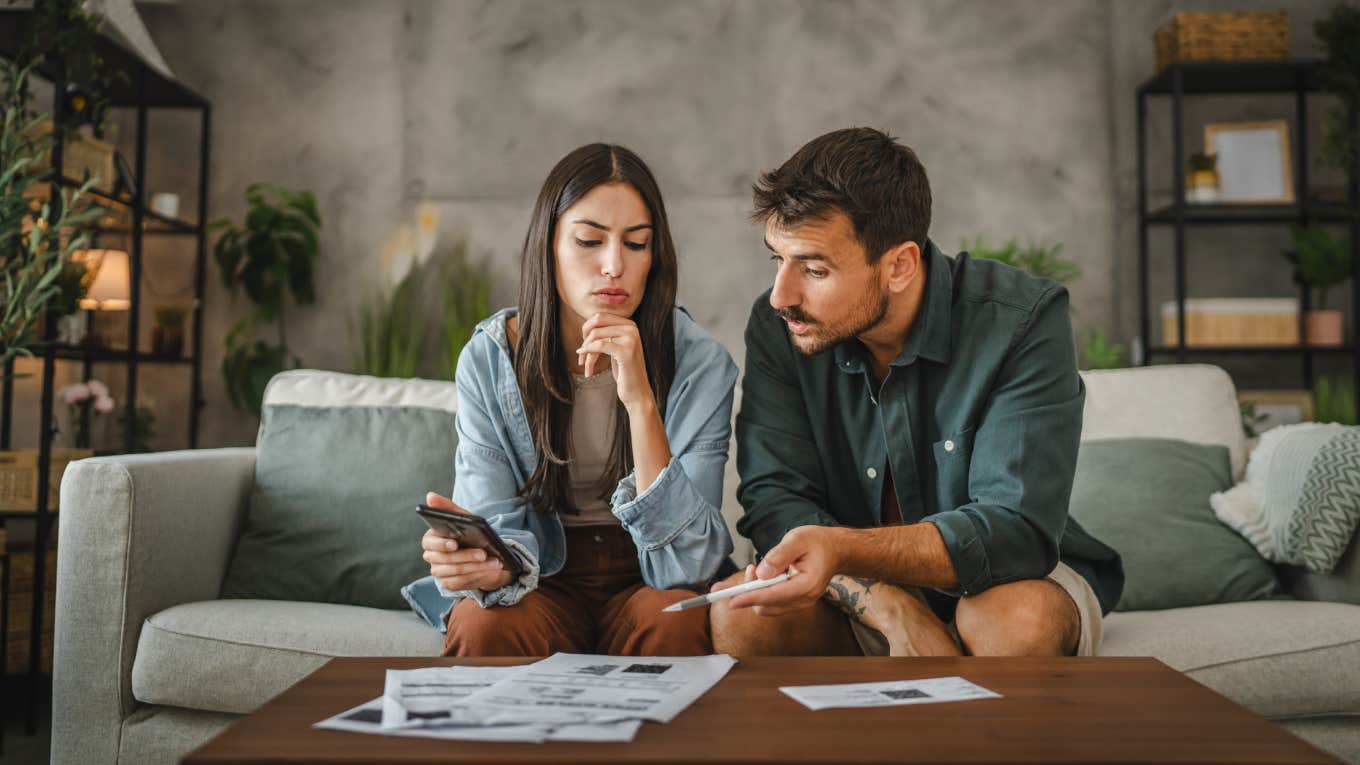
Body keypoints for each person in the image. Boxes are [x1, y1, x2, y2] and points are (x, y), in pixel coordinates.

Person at [710, 127, 1123, 657]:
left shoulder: (1020, 320)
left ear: (900, 265)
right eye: (778, 260)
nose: (781, 295)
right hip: (855, 590)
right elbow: (774, 502)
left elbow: (1014, 529)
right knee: (740, 615)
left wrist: (843, 550)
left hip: (1007, 579)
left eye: (814, 269)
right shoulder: (781, 329)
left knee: (1013, 620)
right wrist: (885, 603)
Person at [402, 143, 737, 657]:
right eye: (588, 241)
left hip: (647, 571)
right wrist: (486, 564)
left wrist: (641, 400)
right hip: (542, 571)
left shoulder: (699, 362)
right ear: (549, 247)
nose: (613, 266)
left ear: (655, 256)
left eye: (637, 244)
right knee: (484, 627)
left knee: (672, 620)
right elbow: (495, 519)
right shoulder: (492, 360)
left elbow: (688, 565)